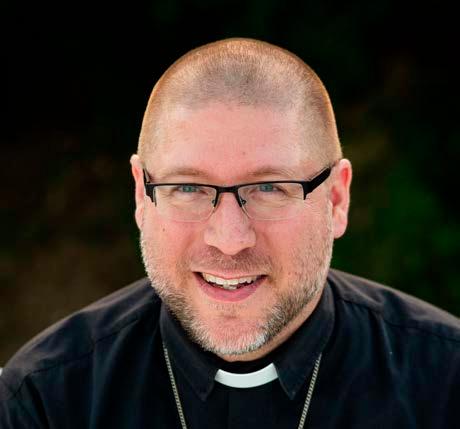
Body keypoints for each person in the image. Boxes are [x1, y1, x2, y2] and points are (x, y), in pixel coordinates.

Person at [1, 37, 459, 429]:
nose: (229, 239)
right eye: (187, 188)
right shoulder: (45, 401)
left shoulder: (446, 383)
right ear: (142, 195)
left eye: (269, 188)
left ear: (336, 199)